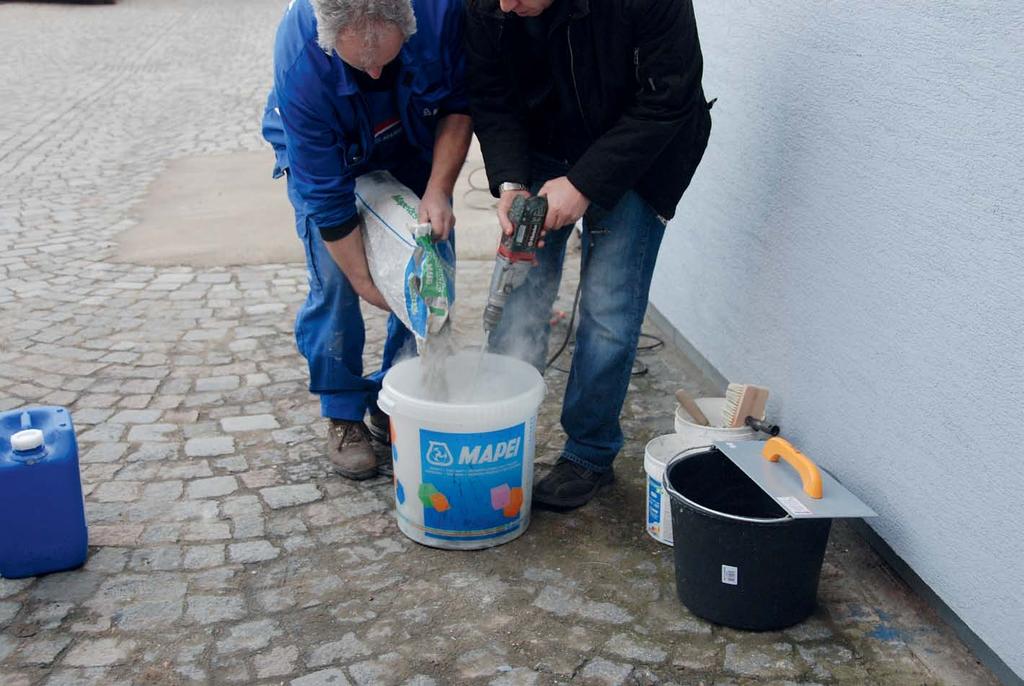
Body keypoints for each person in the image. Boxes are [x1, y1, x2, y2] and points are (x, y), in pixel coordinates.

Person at [465, 0, 713, 509]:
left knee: (608, 308)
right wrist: (511, 180)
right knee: (518, 293)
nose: (505, 7)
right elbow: (491, 96)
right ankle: (499, 431)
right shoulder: (489, 3)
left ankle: (589, 453)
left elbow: (668, 100)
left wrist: (583, 183)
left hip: (642, 151)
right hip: (540, 144)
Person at [262, 0, 472, 480]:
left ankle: (395, 396)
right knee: (336, 282)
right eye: (362, 63)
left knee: (429, 263)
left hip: (412, 139)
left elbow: (459, 106)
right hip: (333, 150)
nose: (376, 71)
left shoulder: (441, 14)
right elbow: (326, 197)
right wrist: (364, 281)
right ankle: (343, 413)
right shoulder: (302, 58)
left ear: (410, 24)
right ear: (330, 39)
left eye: (386, 59)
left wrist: (439, 189)